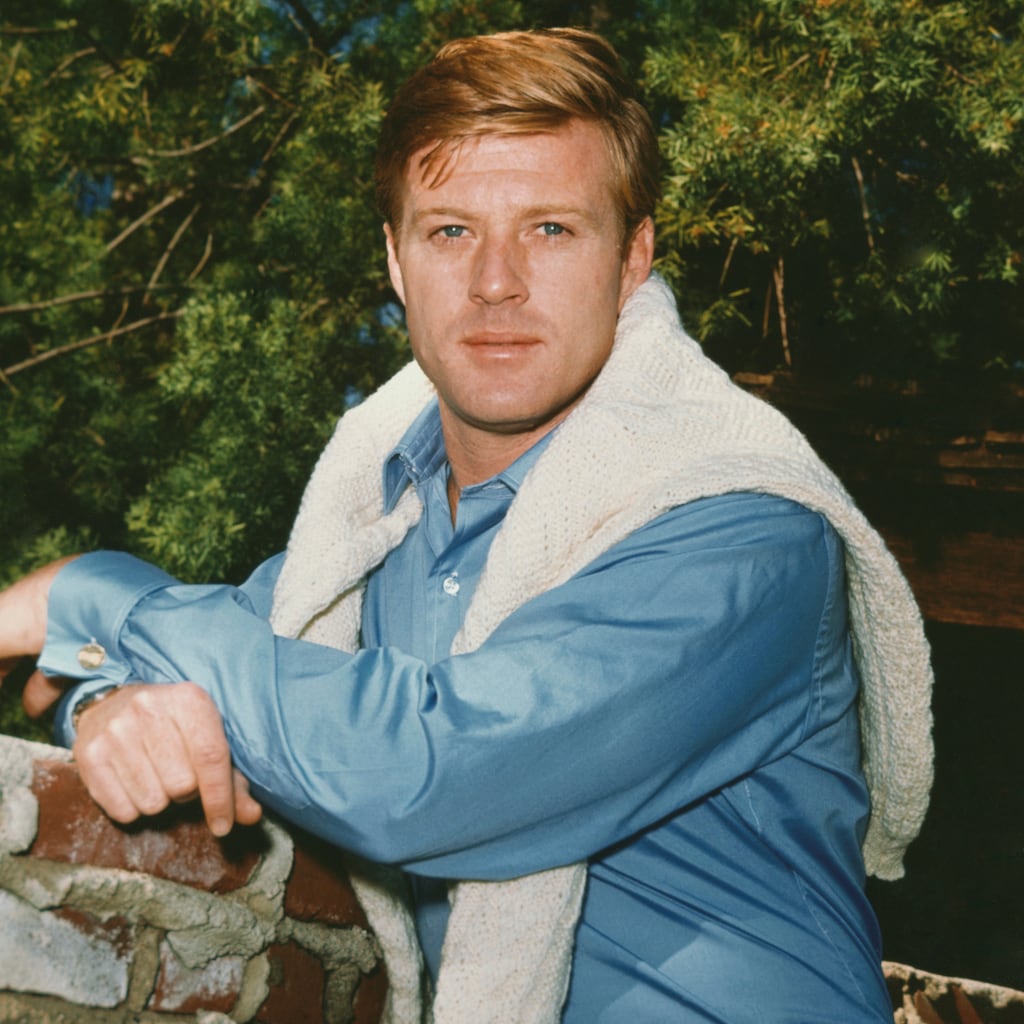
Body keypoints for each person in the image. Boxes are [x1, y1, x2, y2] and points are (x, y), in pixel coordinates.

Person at [0, 28, 933, 1024]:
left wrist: (86, 591)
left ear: (633, 258)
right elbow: (231, 658)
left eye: (550, 230)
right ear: (396, 260)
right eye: (450, 231)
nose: (496, 281)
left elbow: (422, 771)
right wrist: (107, 705)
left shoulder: (738, 528)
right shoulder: (379, 525)